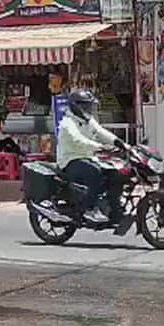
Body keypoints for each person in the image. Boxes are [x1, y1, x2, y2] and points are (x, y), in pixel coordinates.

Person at [56, 89, 121, 225]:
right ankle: (89, 208)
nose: (88, 108)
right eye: (85, 105)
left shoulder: (88, 120)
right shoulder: (68, 123)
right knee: (94, 172)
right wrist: (100, 147)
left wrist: (119, 143)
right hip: (70, 160)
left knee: (115, 172)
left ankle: (114, 209)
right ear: (76, 106)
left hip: (88, 157)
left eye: (89, 105)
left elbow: (102, 132)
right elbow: (79, 140)